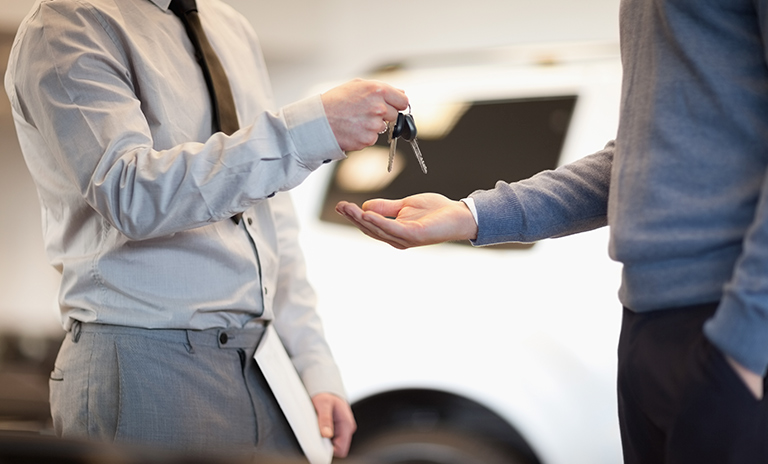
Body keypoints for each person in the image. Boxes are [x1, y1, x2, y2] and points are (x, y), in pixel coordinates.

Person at [336, 2, 768, 463]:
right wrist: (471, 213)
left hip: (732, 324)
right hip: (648, 323)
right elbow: (640, 156)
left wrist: (744, 344)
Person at [4, 0, 408, 460]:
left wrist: (313, 365)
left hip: (266, 365)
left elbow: (269, 217)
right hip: (147, 367)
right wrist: (307, 131)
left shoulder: (229, 25)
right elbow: (131, 195)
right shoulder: (69, 22)